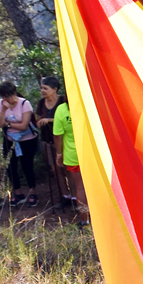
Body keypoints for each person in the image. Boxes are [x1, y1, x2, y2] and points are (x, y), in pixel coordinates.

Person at [0, 81, 39, 207]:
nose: (6, 99)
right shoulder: (0, 104)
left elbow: (24, 125)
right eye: (4, 96)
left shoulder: (24, 104)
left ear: (14, 93)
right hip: (9, 139)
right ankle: (17, 193)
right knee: (10, 166)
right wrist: (3, 109)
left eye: (8, 95)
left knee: (27, 166)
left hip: (27, 139)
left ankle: (33, 192)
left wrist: (8, 124)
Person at [52, 96, 89, 224]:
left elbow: (58, 135)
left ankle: (85, 221)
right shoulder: (89, 104)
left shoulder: (62, 110)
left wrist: (59, 153)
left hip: (73, 155)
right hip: (92, 154)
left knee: (80, 188)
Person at [36, 76, 67, 204]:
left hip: (63, 139)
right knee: (55, 168)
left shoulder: (63, 101)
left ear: (54, 89)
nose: (43, 91)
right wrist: (40, 123)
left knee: (68, 168)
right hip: (47, 139)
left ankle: (75, 196)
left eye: (45, 88)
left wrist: (50, 120)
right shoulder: (41, 103)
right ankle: (64, 195)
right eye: (41, 88)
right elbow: (38, 120)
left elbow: (67, 119)